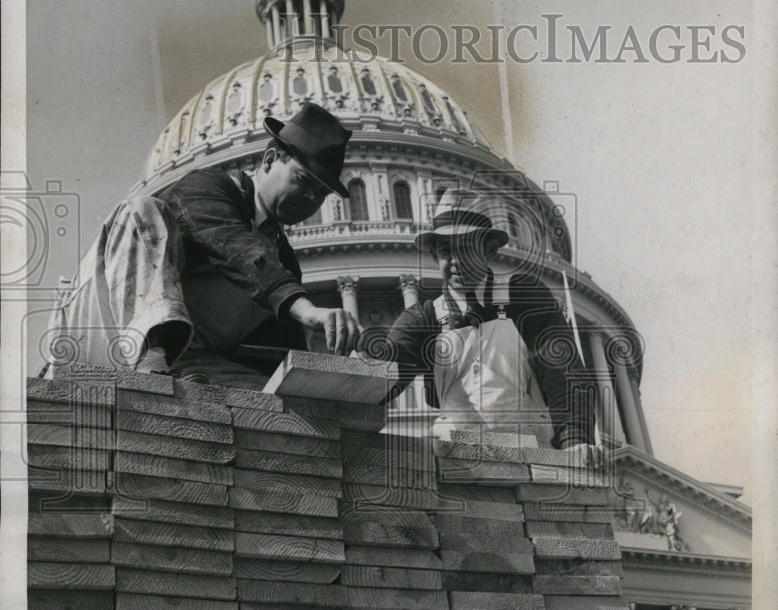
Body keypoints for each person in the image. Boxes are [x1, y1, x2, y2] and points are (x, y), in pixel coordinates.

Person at [43, 103, 360, 388]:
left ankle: (161, 367)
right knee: (142, 211)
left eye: (321, 193)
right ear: (269, 159)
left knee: (280, 399)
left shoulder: (283, 260)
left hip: (188, 362)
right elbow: (234, 245)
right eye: (304, 180)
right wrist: (305, 308)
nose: (310, 198)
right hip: (104, 331)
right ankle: (150, 356)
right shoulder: (208, 186)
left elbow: (280, 349)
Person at [364, 187, 597, 453]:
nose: (456, 261)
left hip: (533, 455)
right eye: (445, 251)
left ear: (488, 250)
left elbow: (565, 376)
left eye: (466, 247)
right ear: (433, 256)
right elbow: (385, 374)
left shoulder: (525, 299)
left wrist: (574, 439)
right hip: (455, 458)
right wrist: (356, 370)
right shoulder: (422, 318)